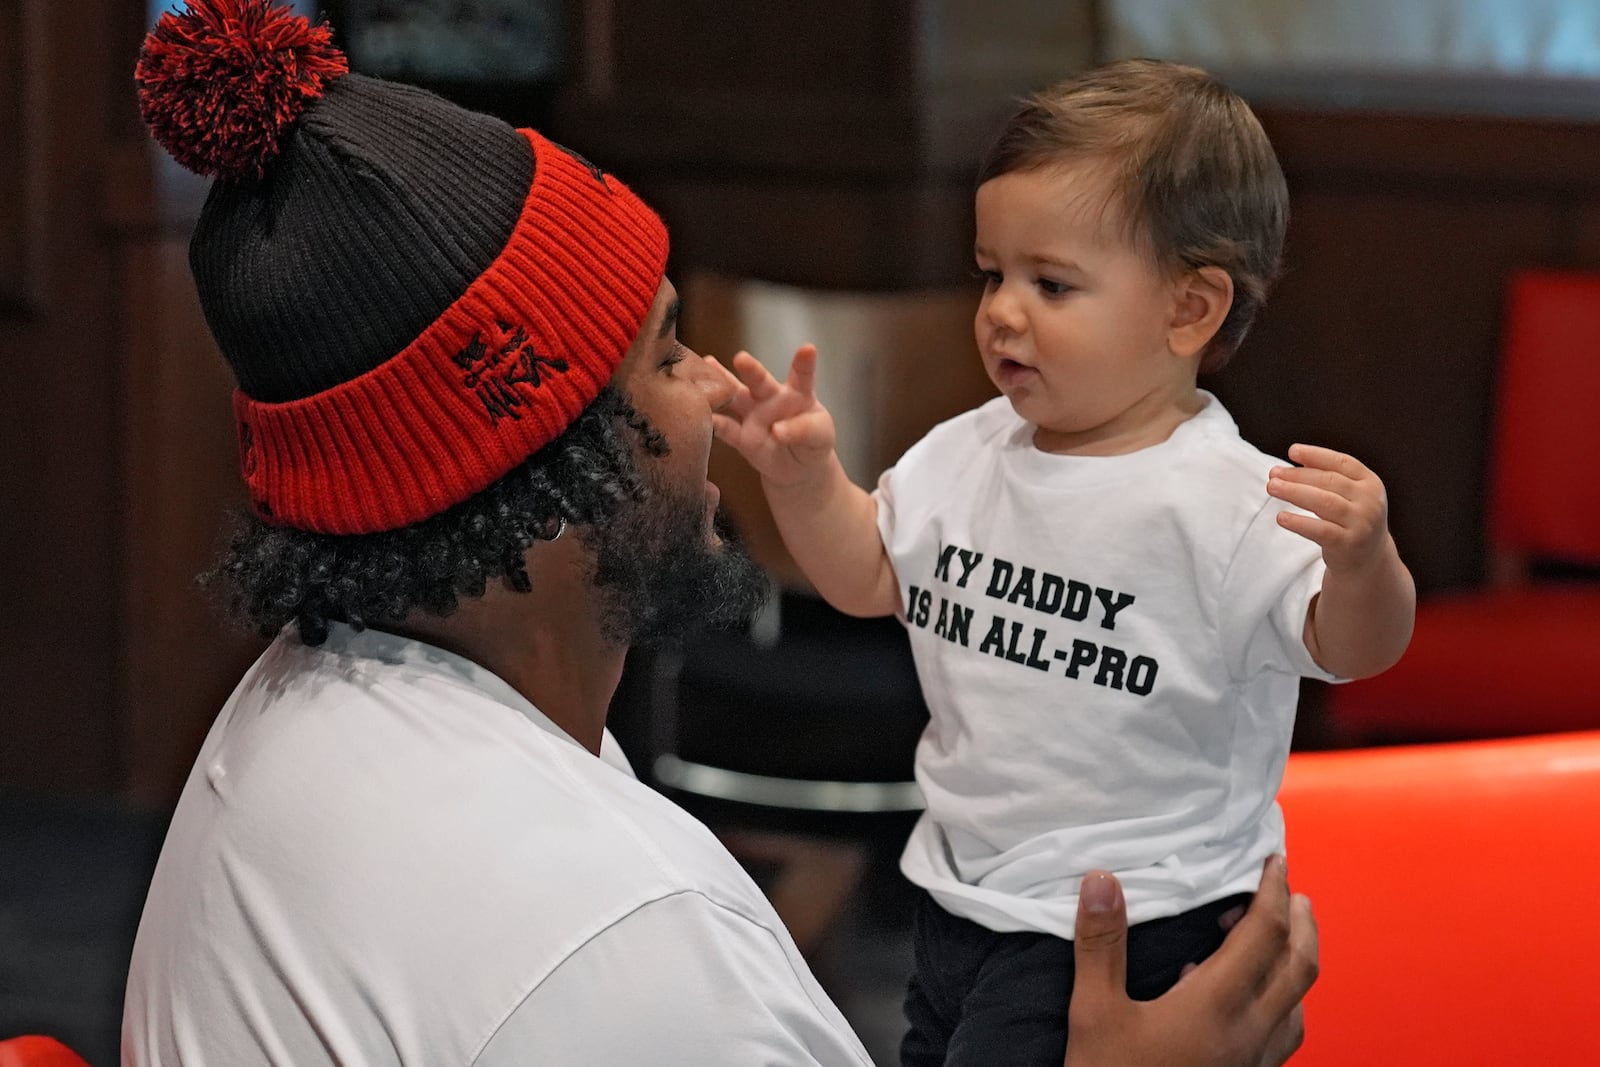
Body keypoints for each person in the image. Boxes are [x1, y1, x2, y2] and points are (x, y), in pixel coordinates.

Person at [122, 5, 1319, 1062]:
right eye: (665, 350)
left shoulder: (292, 706)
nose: (709, 388)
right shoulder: (627, 952)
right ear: (544, 464)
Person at [713, 58, 1409, 1066]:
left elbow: (1354, 648)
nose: (1002, 309)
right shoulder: (967, 448)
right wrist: (805, 479)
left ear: (1189, 309)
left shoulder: (1223, 498)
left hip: (1137, 916)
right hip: (962, 894)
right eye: (992, 272)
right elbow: (868, 573)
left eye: (1051, 282)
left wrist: (1364, 562)